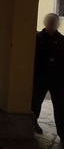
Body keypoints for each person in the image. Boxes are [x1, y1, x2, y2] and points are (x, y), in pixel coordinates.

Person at [31, 13, 64, 146]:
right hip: (40, 77)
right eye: (49, 21)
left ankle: (63, 133)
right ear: (45, 22)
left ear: (57, 23)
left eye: (53, 21)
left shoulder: (62, 40)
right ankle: (33, 124)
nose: (51, 23)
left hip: (57, 79)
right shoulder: (36, 38)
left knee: (60, 107)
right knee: (35, 103)